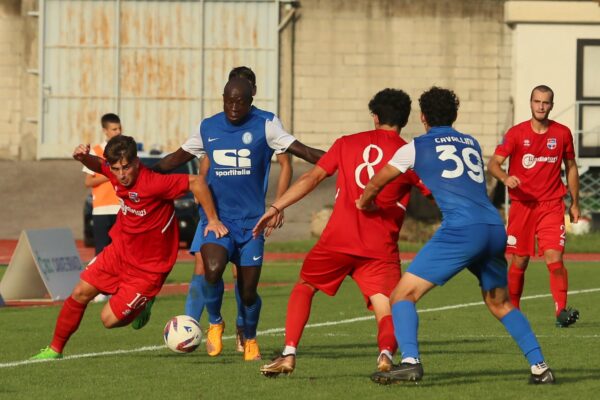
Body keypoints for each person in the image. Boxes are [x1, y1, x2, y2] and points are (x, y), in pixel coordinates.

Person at [358, 87, 555, 384]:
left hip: (462, 230)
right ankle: (540, 367)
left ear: (423, 117)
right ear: (455, 115)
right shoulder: (471, 143)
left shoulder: (415, 146)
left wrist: (364, 202)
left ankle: (410, 361)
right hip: (493, 226)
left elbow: (376, 182)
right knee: (500, 303)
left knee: (402, 295)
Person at [253, 88, 431, 377]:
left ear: (374, 117)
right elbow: (435, 194)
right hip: (379, 247)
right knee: (386, 306)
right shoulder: (409, 153)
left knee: (305, 287)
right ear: (405, 119)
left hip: (337, 240)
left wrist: (276, 206)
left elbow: (311, 177)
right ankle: (385, 354)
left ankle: (288, 353)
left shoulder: (346, 143)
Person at [153, 77, 323, 361]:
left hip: (252, 224)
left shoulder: (266, 124)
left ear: (250, 101)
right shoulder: (208, 127)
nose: (233, 107)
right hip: (218, 221)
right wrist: (145, 173)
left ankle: (251, 338)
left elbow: (302, 152)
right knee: (212, 268)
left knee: (247, 292)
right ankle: (216, 322)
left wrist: (342, 159)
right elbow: (176, 158)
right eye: (229, 101)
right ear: (222, 98)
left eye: (240, 102)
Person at [31, 135, 228, 360]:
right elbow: (98, 164)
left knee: (108, 320)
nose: (121, 174)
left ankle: (143, 305)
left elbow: (197, 182)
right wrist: (83, 158)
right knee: (79, 293)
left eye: (126, 167)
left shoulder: (154, 182)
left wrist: (212, 220)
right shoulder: (114, 173)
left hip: (148, 268)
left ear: (136, 162)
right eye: (116, 169)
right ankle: (54, 349)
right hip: (119, 252)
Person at [178, 67, 293, 353]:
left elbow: (287, 163)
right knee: (206, 265)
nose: (237, 101)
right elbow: (207, 162)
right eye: (232, 95)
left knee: (244, 281)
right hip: (214, 212)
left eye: (246, 91)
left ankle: (244, 330)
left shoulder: (266, 122)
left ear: (252, 93)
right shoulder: (213, 126)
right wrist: (201, 191)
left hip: (248, 215)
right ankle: (194, 325)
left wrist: (278, 205)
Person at [488, 85, 580, 328]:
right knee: (520, 261)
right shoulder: (516, 133)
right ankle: (513, 312)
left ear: (552, 105)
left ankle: (561, 311)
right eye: (537, 101)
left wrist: (575, 203)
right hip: (522, 206)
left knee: (555, 257)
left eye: (546, 102)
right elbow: (494, 163)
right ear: (530, 103)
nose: (541, 106)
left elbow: (571, 167)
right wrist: (506, 178)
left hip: (551, 205)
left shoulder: (562, 134)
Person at [83, 113, 122, 256]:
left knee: (121, 252)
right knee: (101, 254)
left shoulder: (125, 151)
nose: (118, 132)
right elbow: (88, 181)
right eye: (114, 129)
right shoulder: (97, 151)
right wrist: (110, 175)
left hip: (121, 208)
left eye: (119, 128)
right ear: (105, 130)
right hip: (102, 209)